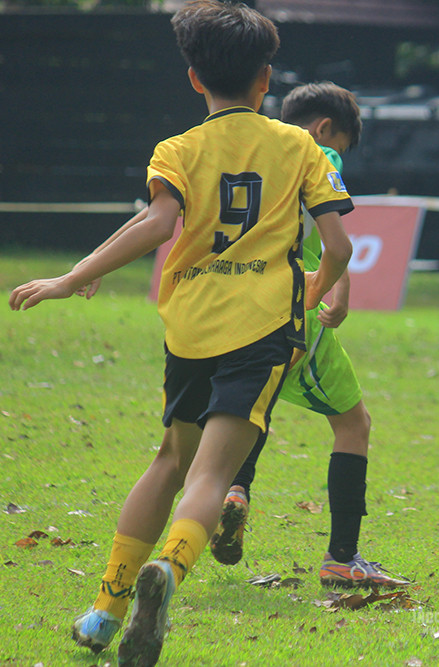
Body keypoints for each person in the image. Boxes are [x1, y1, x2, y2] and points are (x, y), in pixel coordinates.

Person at [9, 1, 354, 664]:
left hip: (191, 326)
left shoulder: (178, 150)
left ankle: (103, 611)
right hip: (262, 329)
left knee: (170, 458)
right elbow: (335, 244)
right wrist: (312, 294)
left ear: (195, 79)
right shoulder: (299, 146)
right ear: (266, 78)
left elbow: (156, 225)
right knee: (214, 470)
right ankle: (167, 565)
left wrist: (70, 275)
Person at [210, 81, 411, 589]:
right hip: (293, 307)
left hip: (229, 310)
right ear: (324, 128)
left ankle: (236, 491)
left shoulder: (245, 150)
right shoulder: (317, 153)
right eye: (339, 143)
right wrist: (337, 288)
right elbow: (329, 230)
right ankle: (342, 557)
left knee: (255, 403)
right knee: (353, 424)